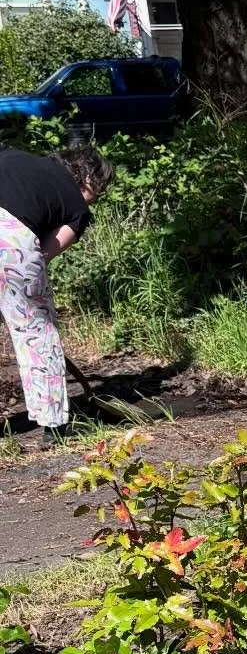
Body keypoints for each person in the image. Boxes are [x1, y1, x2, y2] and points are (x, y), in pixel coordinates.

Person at [0, 142, 113, 439]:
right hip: (10, 237)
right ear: (87, 177)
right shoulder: (77, 207)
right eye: (98, 189)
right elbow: (46, 252)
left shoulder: (12, 155)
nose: (96, 197)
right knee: (37, 333)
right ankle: (54, 425)